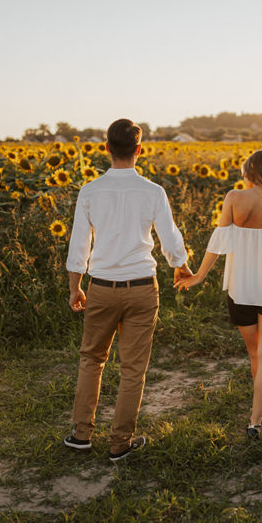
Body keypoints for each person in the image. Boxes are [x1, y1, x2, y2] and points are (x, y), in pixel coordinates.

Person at [64, 118, 192, 461]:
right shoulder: (152, 192)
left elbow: (80, 245)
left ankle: (81, 434)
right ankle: (120, 442)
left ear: (106, 148)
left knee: (92, 358)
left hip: (102, 287)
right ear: (140, 150)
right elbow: (169, 237)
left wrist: (75, 286)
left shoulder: (89, 191)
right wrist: (179, 264)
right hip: (141, 289)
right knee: (133, 368)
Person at [176, 149, 262, 439]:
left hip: (242, 290)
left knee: (256, 356)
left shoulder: (235, 198)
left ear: (249, 171)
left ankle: (255, 420)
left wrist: (199, 275)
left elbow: (219, 241)